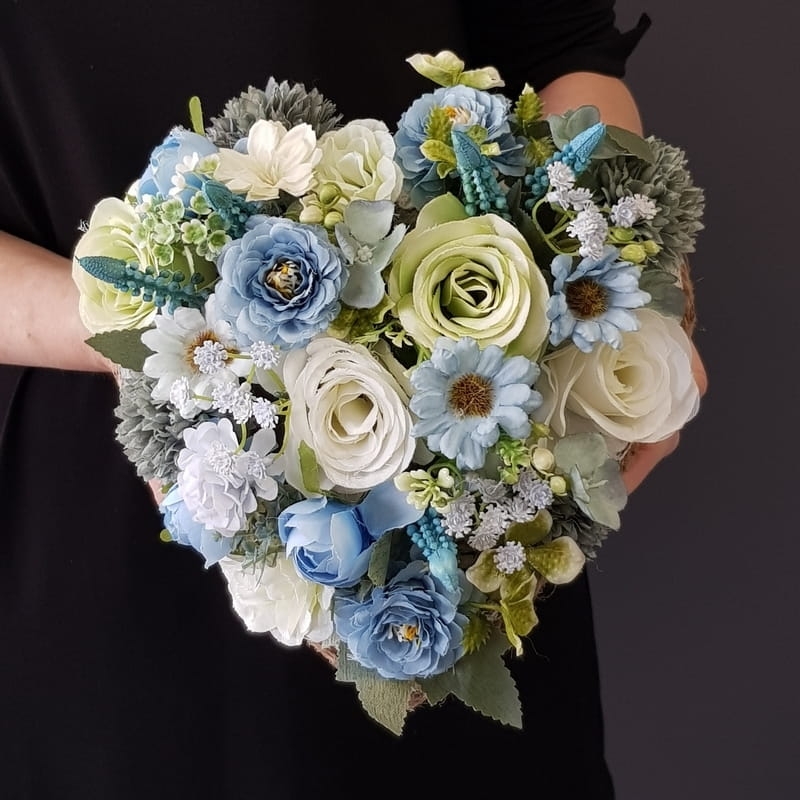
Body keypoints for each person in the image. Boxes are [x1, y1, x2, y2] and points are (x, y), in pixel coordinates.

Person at [0, 2, 706, 798]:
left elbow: (561, 45)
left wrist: (622, 272)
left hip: (479, 465)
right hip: (98, 503)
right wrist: (161, 340)